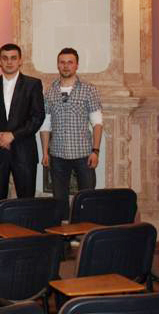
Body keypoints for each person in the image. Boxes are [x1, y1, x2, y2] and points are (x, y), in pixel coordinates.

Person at [40, 47, 103, 219]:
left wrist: (96, 151)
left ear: (76, 65)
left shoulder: (89, 89)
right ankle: (64, 232)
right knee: (59, 199)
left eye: (70, 62)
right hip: (57, 155)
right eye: (62, 62)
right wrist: (45, 152)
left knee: (86, 198)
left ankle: (85, 230)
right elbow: (45, 125)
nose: (66, 66)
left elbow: (97, 123)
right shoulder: (50, 91)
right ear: (58, 65)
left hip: (84, 154)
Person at [0, 43, 45, 208]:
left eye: (13, 58)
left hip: (24, 151)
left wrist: (13, 135)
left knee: (27, 202)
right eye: (5, 58)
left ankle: (26, 226)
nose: (9, 62)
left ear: (20, 61)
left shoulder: (33, 84)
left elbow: (37, 117)